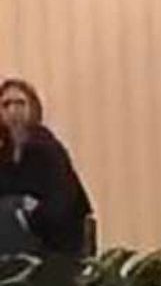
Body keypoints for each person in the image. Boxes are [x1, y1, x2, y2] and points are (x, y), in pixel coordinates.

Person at [0, 78, 92, 257]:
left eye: (20, 103)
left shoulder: (46, 148)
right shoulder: (5, 151)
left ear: (33, 107)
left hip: (55, 240)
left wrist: (28, 216)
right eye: (6, 105)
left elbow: (62, 201)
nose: (13, 111)